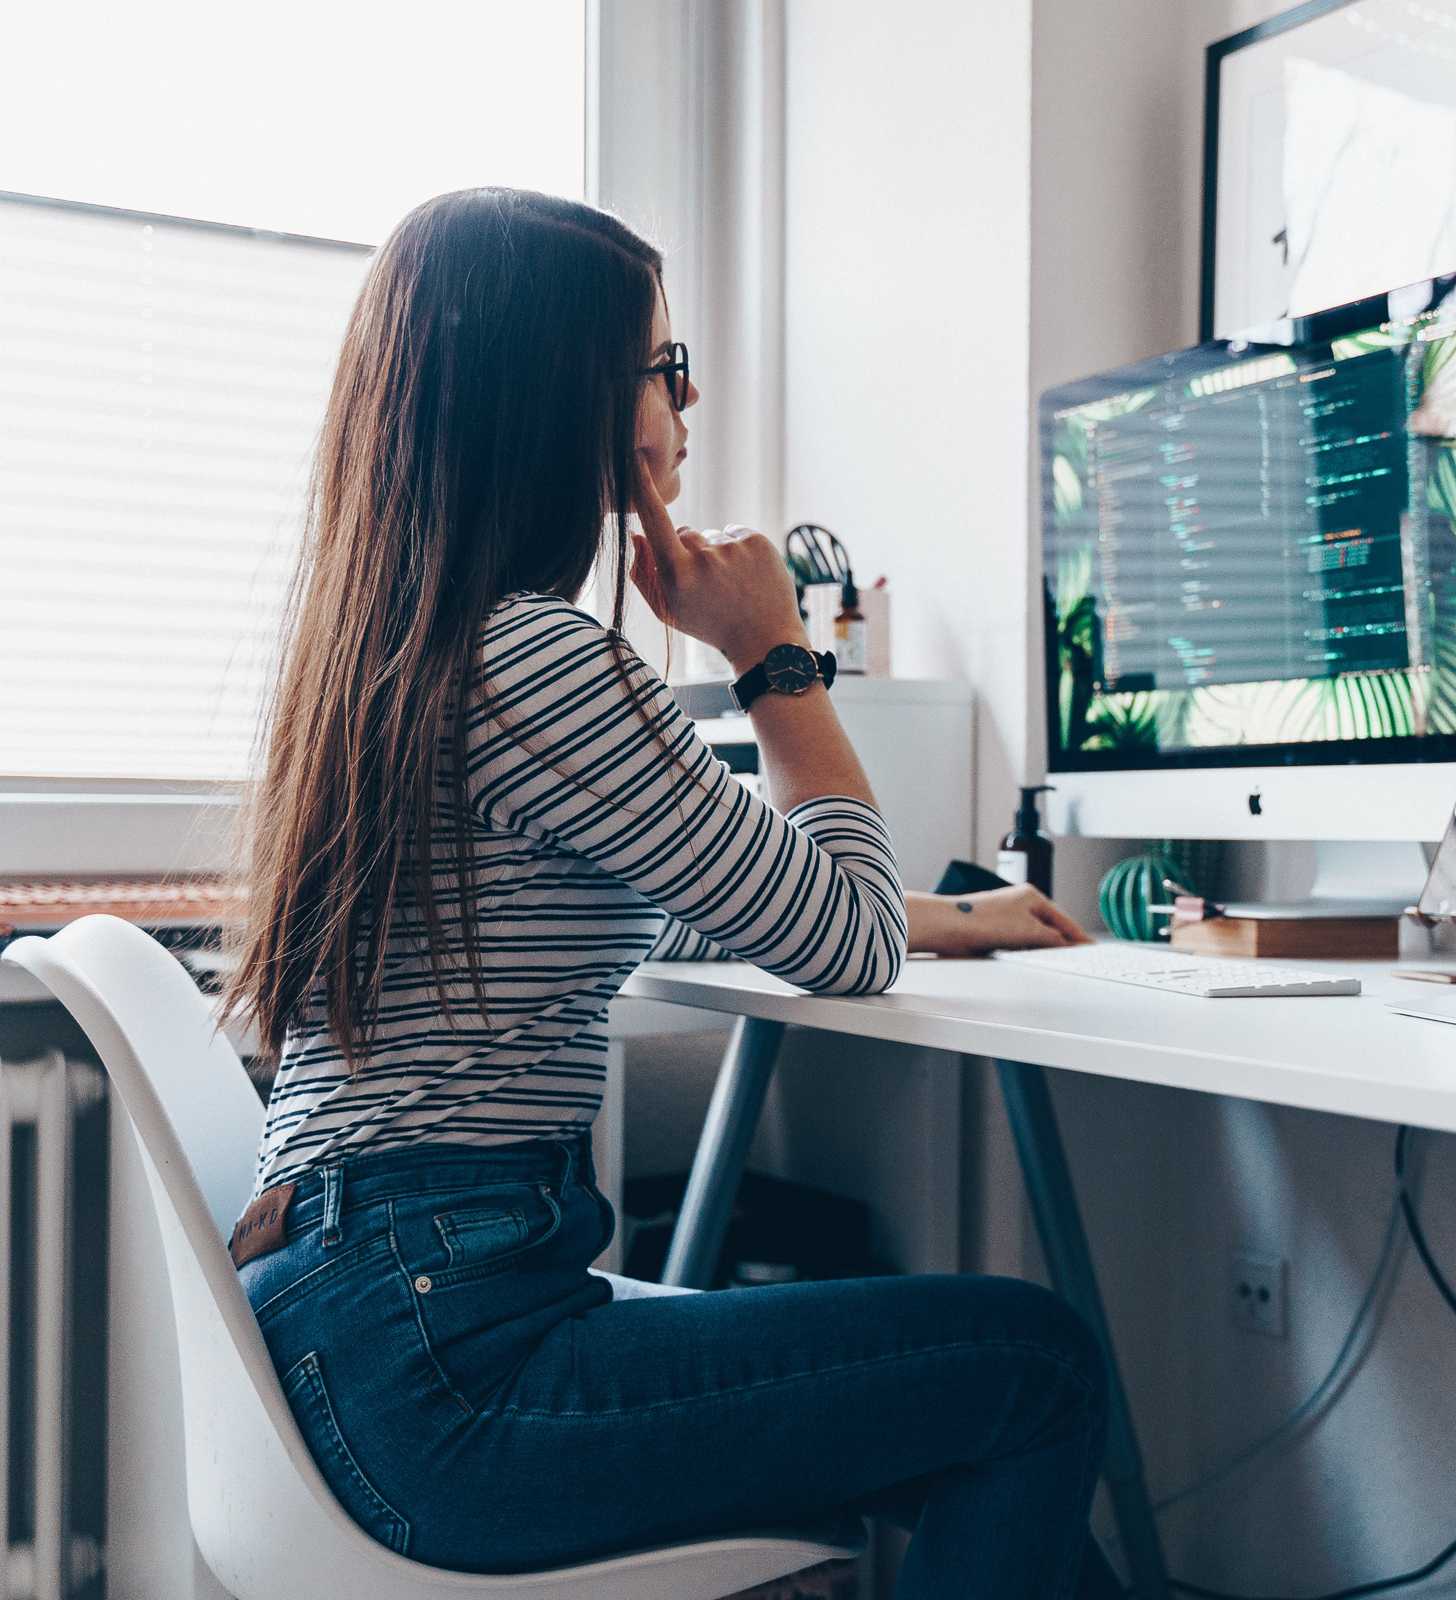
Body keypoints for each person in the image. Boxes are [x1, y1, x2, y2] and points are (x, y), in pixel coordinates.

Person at [220, 188, 1122, 1600]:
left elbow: (693, 897)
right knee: (1033, 1368)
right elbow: (844, 944)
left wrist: (953, 913)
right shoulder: (546, 663)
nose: (685, 407)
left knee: (958, 1409)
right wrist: (774, 658)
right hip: (448, 1362)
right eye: (665, 367)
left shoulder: (402, 652)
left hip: (355, 1324)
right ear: (572, 386)